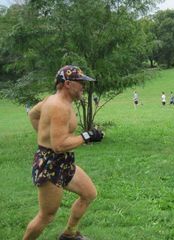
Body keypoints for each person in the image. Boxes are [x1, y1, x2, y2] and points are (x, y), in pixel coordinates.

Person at [23, 65, 104, 240]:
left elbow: (33, 115)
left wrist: (43, 135)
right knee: (47, 216)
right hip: (50, 164)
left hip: (62, 161)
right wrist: (88, 135)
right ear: (67, 83)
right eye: (80, 82)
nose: (83, 86)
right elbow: (59, 145)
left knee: (89, 193)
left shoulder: (52, 100)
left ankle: (69, 235)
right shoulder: (59, 106)